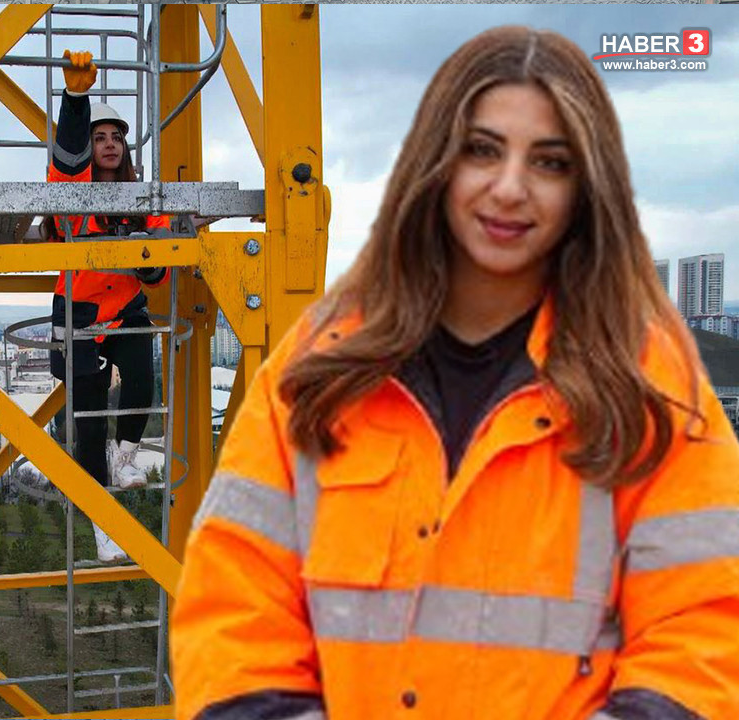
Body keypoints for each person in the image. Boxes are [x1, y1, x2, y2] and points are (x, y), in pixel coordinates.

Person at [172, 26, 739, 720]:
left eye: (550, 162)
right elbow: (233, 614)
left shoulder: (652, 387)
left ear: (588, 188)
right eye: (482, 150)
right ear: (435, 162)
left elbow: (706, 636)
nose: (509, 189)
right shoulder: (317, 368)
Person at [47, 50, 170, 563]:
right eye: (101, 138)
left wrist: (142, 256)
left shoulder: (142, 198)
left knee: (144, 380)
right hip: (78, 314)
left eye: (116, 137)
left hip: (125, 309)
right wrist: (76, 101)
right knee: (90, 421)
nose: (110, 145)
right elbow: (66, 160)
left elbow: (160, 266)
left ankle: (126, 458)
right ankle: (103, 525)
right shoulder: (74, 191)